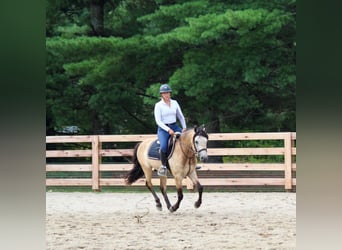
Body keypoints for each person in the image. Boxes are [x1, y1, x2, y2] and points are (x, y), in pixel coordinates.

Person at [154, 83, 187, 176]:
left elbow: (180, 116)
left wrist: (184, 127)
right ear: (161, 94)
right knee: (164, 146)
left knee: (187, 141)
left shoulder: (175, 103)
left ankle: (190, 162)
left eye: (168, 93)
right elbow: (158, 121)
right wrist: (168, 130)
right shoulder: (158, 105)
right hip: (163, 128)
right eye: (164, 93)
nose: (167, 95)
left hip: (175, 126)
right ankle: (163, 166)